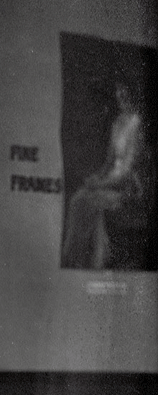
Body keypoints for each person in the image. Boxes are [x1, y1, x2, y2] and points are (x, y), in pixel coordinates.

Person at [61, 75, 152, 270]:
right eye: (118, 91)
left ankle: (92, 262)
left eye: (125, 91)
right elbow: (109, 161)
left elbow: (127, 170)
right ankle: (77, 262)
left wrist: (100, 184)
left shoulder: (137, 123)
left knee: (87, 201)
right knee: (77, 199)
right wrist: (97, 177)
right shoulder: (117, 122)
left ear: (132, 93)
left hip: (128, 187)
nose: (121, 95)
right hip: (111, 182)